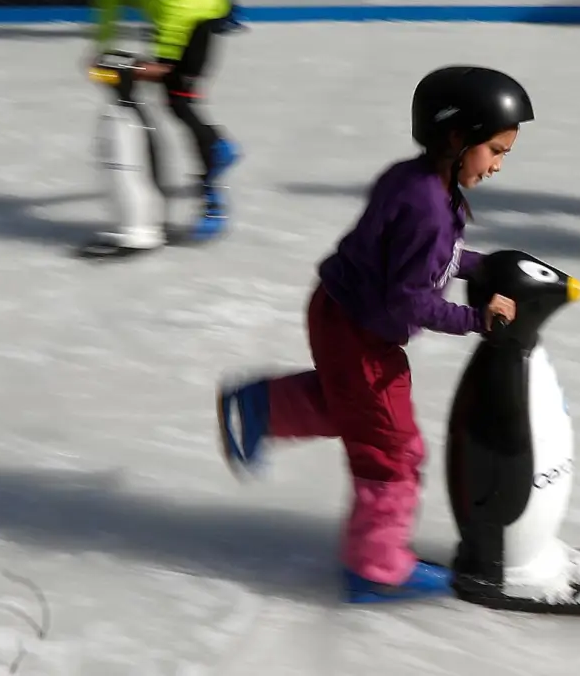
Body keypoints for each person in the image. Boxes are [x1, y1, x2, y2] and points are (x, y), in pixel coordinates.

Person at [215, 66, 534, 603]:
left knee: (355, 409)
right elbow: (409, 298)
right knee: (390, 448)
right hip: (361, 330)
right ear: (457, 138)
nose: (500, 165)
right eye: (496, 150)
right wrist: (479, 321)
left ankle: (264, 407)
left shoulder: (416, 180)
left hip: (342, 313)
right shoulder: (428, 207)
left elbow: (423, 260)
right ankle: (374, 566)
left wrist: (476, 267)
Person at [92, 0, 241, 242]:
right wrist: (102, 40)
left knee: (180, 101)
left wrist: (167, 56)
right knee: (175, 103)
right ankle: (218, 146)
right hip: (166, 15)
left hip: (199, 9)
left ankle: (212, 194)